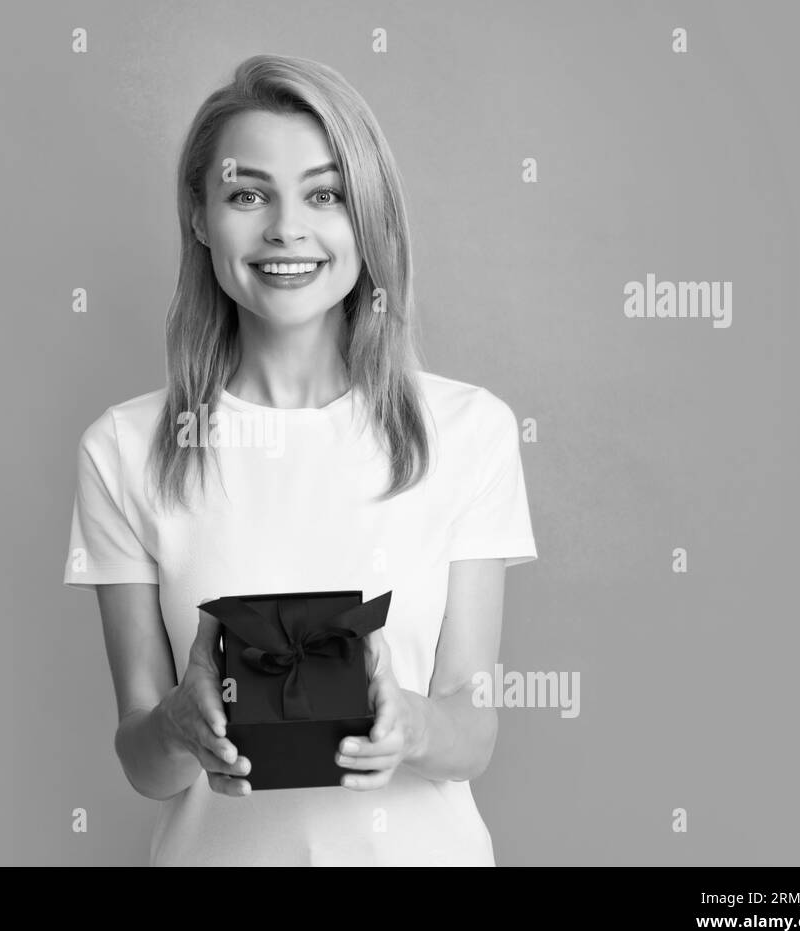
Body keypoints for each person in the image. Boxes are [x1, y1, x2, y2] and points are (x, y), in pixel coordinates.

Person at [62, 53, 537, 865]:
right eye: (248, 195)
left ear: (369, 219)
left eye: (325, 195)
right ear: (201, 216)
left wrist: (411, 723)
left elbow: (473, 725)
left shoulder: (468, 431)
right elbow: (146, 764)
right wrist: (181, 722)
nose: (286, 229)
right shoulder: (125, 449)